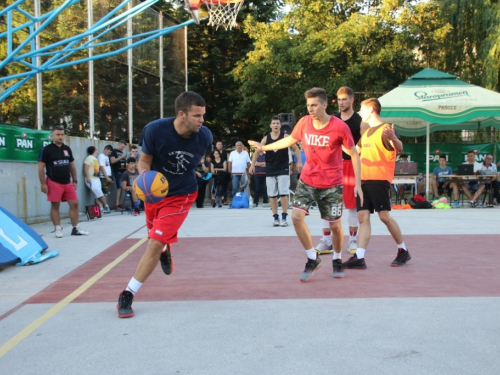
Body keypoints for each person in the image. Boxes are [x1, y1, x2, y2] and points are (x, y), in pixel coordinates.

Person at [249, 87, 362, 281]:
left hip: (332, 183)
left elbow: (354, 154)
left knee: (335, 226)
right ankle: (312, 258)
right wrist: (264, 147)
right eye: (308, 105)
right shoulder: (304, 123)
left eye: (314, 105)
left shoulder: (339, 127)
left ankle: (337, 258)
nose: (310, 109)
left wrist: (358, 183)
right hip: (308, 180)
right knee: (296, 218)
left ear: (324, 105)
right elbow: (289, 141)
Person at [117, 91, 213, 318]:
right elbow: (144, 161)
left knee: (153, 242)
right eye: (197, 116)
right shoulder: (155, 130)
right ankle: (165, 249)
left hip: (181, 195)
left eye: (203, 116)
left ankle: (128, 293)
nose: (202, 120)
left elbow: (197, 161)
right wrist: (145, 182)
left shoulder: (204, 136)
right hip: (155, 194)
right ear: (182, 114)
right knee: (157, 241)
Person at [342, 98, 410, 270]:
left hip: (379, 180)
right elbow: (354, 152)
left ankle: (403, 250)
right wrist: (336, 142)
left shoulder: (386, 129)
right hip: (363, 181)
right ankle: (360, 257)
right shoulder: (366, 133)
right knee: (363, 218)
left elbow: (400, 148)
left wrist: (394, 138)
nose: (359, 113)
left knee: (384, 216)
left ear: (371, 109)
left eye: (362, 109)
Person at [316, 87, 364, 255]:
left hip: (351, 165)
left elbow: (363, 148)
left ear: (352, 100)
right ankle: (326, 241)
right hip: (331, 166)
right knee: (326, 203)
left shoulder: (359, 121)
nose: (341, 102)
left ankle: (352, 239)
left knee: (351, 205)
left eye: (344, 99)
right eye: (339, 99)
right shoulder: (332, 119)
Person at [249, 116, 302, 227]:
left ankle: (284, 217)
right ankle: (275, 217)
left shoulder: (285, 136)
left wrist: (299, 162)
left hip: (283, 168)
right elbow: (257, 152)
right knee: (272, 195)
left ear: (280, 125)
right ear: (270, 125)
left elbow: (296, 148)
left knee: (283, 193)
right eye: (274, 123)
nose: (276, 125)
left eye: (277, 123)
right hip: (271, 168)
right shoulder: (266, 138)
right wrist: (252, 165)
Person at [38, 125, 89, 238]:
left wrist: (74, 180)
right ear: (52, 136)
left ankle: (75, 228)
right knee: (55, 205)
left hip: (67, 182)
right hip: (53, 181)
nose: (60, 137)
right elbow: (41, 167)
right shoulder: (46, 150)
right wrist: (43, 183)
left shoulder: (67, 149)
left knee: (75, 204)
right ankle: (57, 228)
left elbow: (72, 165)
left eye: (62, 135)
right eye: (58, 135)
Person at [83, 146, 110, 214]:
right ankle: (106, 206)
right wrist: (88, 177)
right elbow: (85, 168)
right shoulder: (89, 158)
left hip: (96, 178)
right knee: (98, 192)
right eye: (96, 150)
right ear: (94, 150)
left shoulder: (95, 158)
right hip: (91, 179)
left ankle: (101, 208)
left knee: (97, 194)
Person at [110, 140, 128, 210]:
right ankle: (117, 204)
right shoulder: (114, 151)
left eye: (124, 147)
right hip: (118, 171)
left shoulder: (121, 152)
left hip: (123, 171)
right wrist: (121, 157)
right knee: (119, 187)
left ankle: (119, 203)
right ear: (119, 144)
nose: (123, 148)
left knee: (122, 187)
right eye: (122, 146)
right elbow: (113, 161)